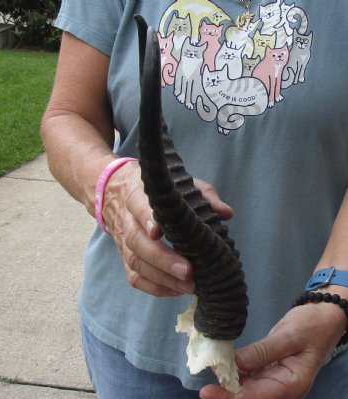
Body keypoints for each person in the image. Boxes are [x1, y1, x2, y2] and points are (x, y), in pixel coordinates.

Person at [41, 1, 348, 398]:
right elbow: (68, 115)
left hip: (321, 346)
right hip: (135, 354)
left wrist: (335, 295)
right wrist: (114, 187)